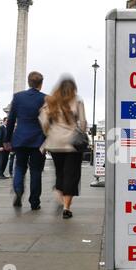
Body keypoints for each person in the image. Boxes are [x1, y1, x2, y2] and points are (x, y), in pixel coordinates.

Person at [39, 77, 87, 219]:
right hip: (72, 144)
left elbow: (43, 120)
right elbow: (83, 122)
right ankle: (66, 207)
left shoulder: (50, 101)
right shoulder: (77, 100)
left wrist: (50, 133)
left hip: (54, 143)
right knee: (71, 175)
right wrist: (81, 133)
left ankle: (59, 194)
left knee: (60, 173)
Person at [4, 71, 46, 210]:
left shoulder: (18, 97)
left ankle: (18, 190)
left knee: (20, 167)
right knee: (36, 171)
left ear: (28, 82)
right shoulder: (45, 99)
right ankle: (34, 202)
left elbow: (10, 120)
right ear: (41, 84)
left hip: (20, 139)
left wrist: (7, 139)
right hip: (38, 140)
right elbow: (49, 122)